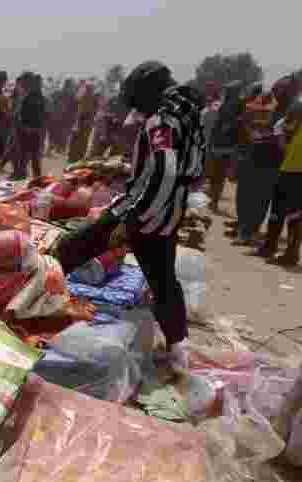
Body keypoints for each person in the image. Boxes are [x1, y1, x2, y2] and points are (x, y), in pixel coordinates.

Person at [52, 61, 205, 373]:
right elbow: (183, 169)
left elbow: (165, 169)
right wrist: (127, 169)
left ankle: (31, 309)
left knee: (70, 248)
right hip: (167, 214)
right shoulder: (185, 116)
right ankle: (179, 352)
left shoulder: (161, 122)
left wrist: (130, 219)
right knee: (164, 283)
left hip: (143, 213)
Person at [236, 77, 297, 246]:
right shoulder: (262, 104)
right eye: (283, 91)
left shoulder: (293, 111)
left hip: (272, 160)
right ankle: (244, 229)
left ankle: (249, 230)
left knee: (260, 197)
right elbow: (244, 122)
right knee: (247, 195)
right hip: (255, 155)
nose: (285, 94)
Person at [256, 84, 302, 266]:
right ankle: (270, 246)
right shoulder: (291, 126)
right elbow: (281, 139)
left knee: (295, 216)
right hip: (286, 171)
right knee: (277, 212)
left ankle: (290, 254)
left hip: (297, 175)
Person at [206, 82, 244, 213]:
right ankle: (213, 201)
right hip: (223, 147)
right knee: (218, 176)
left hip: (221, 146)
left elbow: (219, 127)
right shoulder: (234, 106)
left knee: (216, 175)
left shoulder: (229, 106)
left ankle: (213, 201)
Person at [14, 72, 47, 180]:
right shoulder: (32, 95)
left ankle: (33, 179)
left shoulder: (35, 96)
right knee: (27, 158)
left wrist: (31, 128)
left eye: (25, 82)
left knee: (30, 158)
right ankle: (24, 177)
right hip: (28, 131)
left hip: (30, 132)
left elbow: (40, 115)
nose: (23, 84)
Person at [67, 79, 98, 163]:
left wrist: (90, 121)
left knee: (82, 145)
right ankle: (71, 161)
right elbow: (74, 111)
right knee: (74, 145)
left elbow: (94, 112)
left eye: (90, 88)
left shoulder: (94, 99)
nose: (89, 90)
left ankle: (77, 161)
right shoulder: (79, 98)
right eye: (88, 88)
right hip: (79, 122)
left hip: (86, 123)